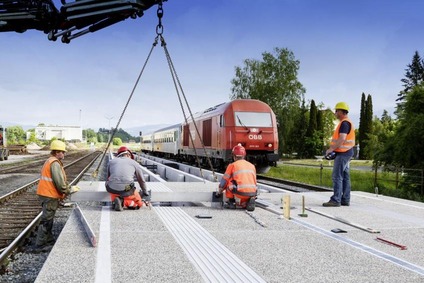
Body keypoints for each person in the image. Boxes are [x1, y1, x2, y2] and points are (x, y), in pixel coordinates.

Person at [36, 140, 79, 248]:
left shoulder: (51, 161)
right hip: (49, 195)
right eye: (62, 152)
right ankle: (40, 244)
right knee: (47, 220)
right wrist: (69, 190)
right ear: (57, 152)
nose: (64, 154)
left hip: (46, 194)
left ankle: (49, 239)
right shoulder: (54, 163)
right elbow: (59, 183)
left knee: (49, 218)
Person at [323, 102, 356, 207]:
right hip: (347, 152)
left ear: (341, 111)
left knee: (337, 176)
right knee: (345, 176)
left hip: (343, 153)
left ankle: (336, 200)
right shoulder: (347, 122)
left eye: (336, 111)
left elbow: (342, 138)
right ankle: (345, 199)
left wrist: (331, 149)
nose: (335, 113)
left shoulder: (344, 123)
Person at [105, 146, 149, 211]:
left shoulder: (111, 162)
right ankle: (124, 202)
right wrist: (145, 191)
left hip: (111, 188)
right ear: (128, 154)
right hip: (126, 189)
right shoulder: (134, 163)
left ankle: (117, 202)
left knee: (113, 186)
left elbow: (108, 178)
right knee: (138, 202)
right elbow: (141, 180)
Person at [217, 143, 257, 211]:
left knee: (229, 183)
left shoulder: (232, 165)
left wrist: (220, 191)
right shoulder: (252, 166)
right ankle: (249, 200)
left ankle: (231, 202)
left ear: (234, 156)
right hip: (252, 193)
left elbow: (224, 180)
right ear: (244, 156)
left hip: (239, 193)